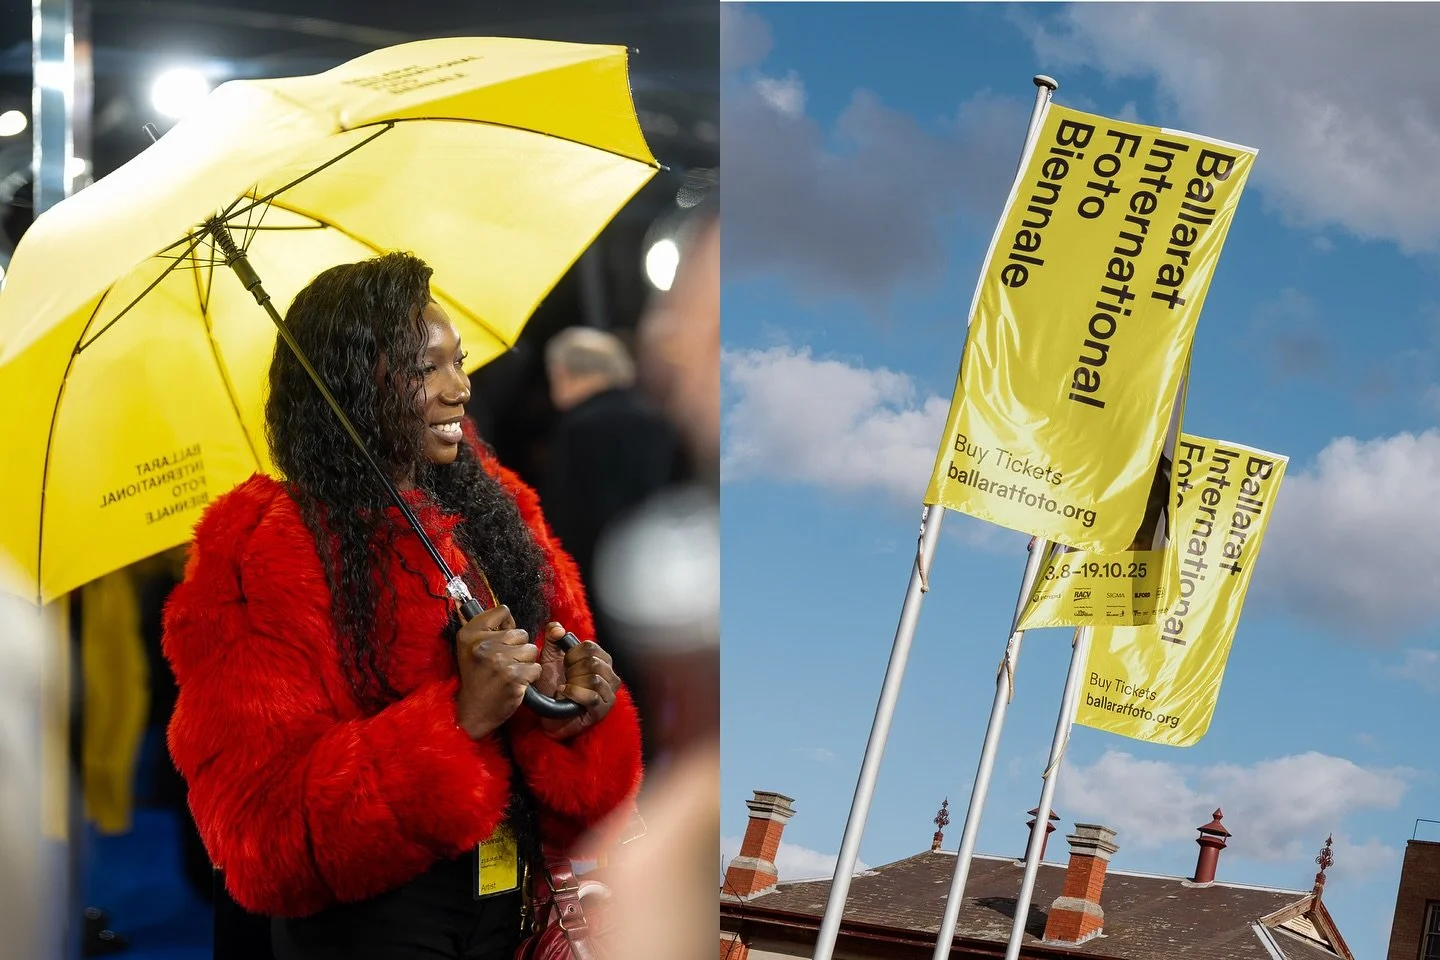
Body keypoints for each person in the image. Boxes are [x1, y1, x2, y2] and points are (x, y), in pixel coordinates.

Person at [161, 252, 642, 960]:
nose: (459, 391)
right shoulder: (260, 547)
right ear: (356, 384)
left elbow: (579, 798)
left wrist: (574, 715)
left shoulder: (503, 515)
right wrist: (456, 720)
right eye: (425, 370)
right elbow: (259, 833)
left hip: (514, 905)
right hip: (372, 927)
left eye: (459, 362)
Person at [542, 326, 682, 594]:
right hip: (665, 568)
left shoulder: (580, 428)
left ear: (561, 371)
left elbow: (571, 518)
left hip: (605, 576)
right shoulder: (657, 418)